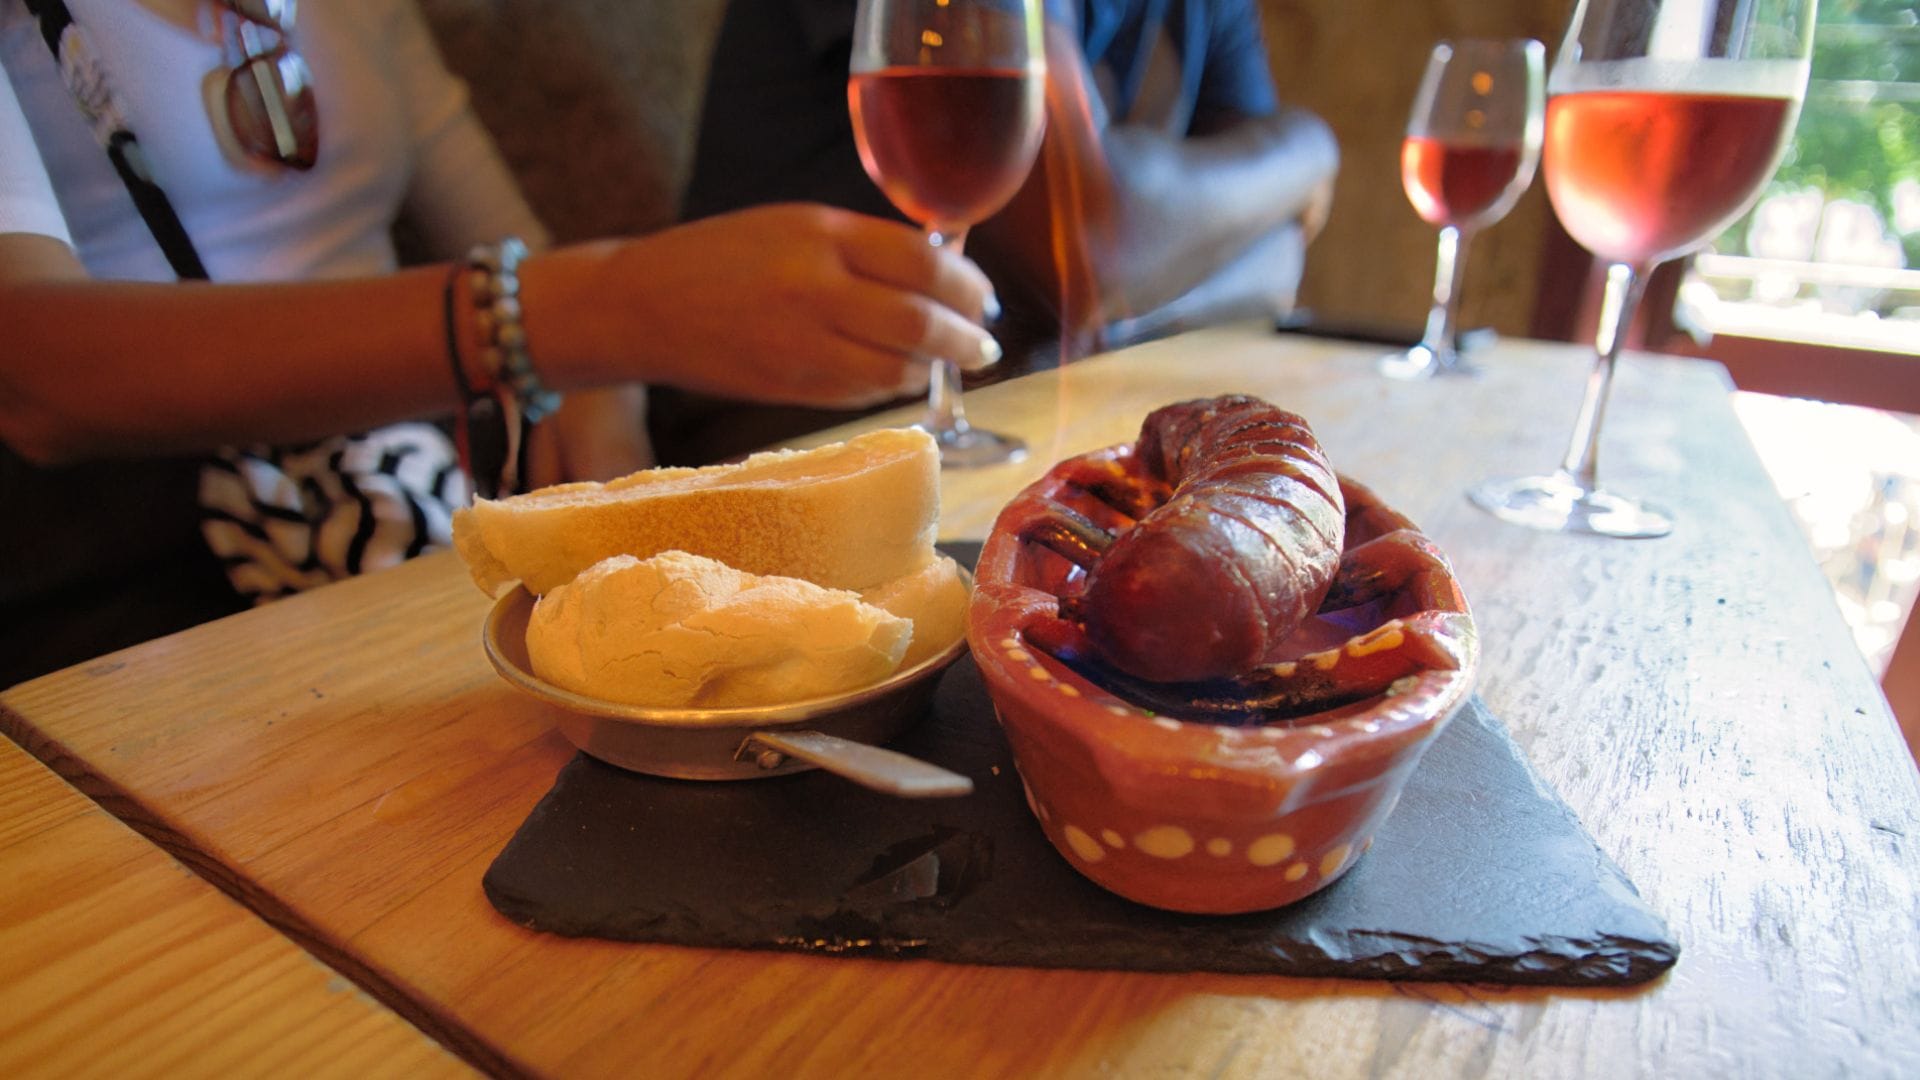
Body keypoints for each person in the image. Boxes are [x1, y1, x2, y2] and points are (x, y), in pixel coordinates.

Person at [0, 0, 1001, 686]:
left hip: (412, 499)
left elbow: (501, 229)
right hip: (145, 569)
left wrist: (599, 383)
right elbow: (35, 377)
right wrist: (589, 314)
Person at [654, 0, 1339, 465]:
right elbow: (1099, 246)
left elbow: (1276, 256)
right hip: (794, 429)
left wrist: (1134, 271)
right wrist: (1313, 148)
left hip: (1018, 403)